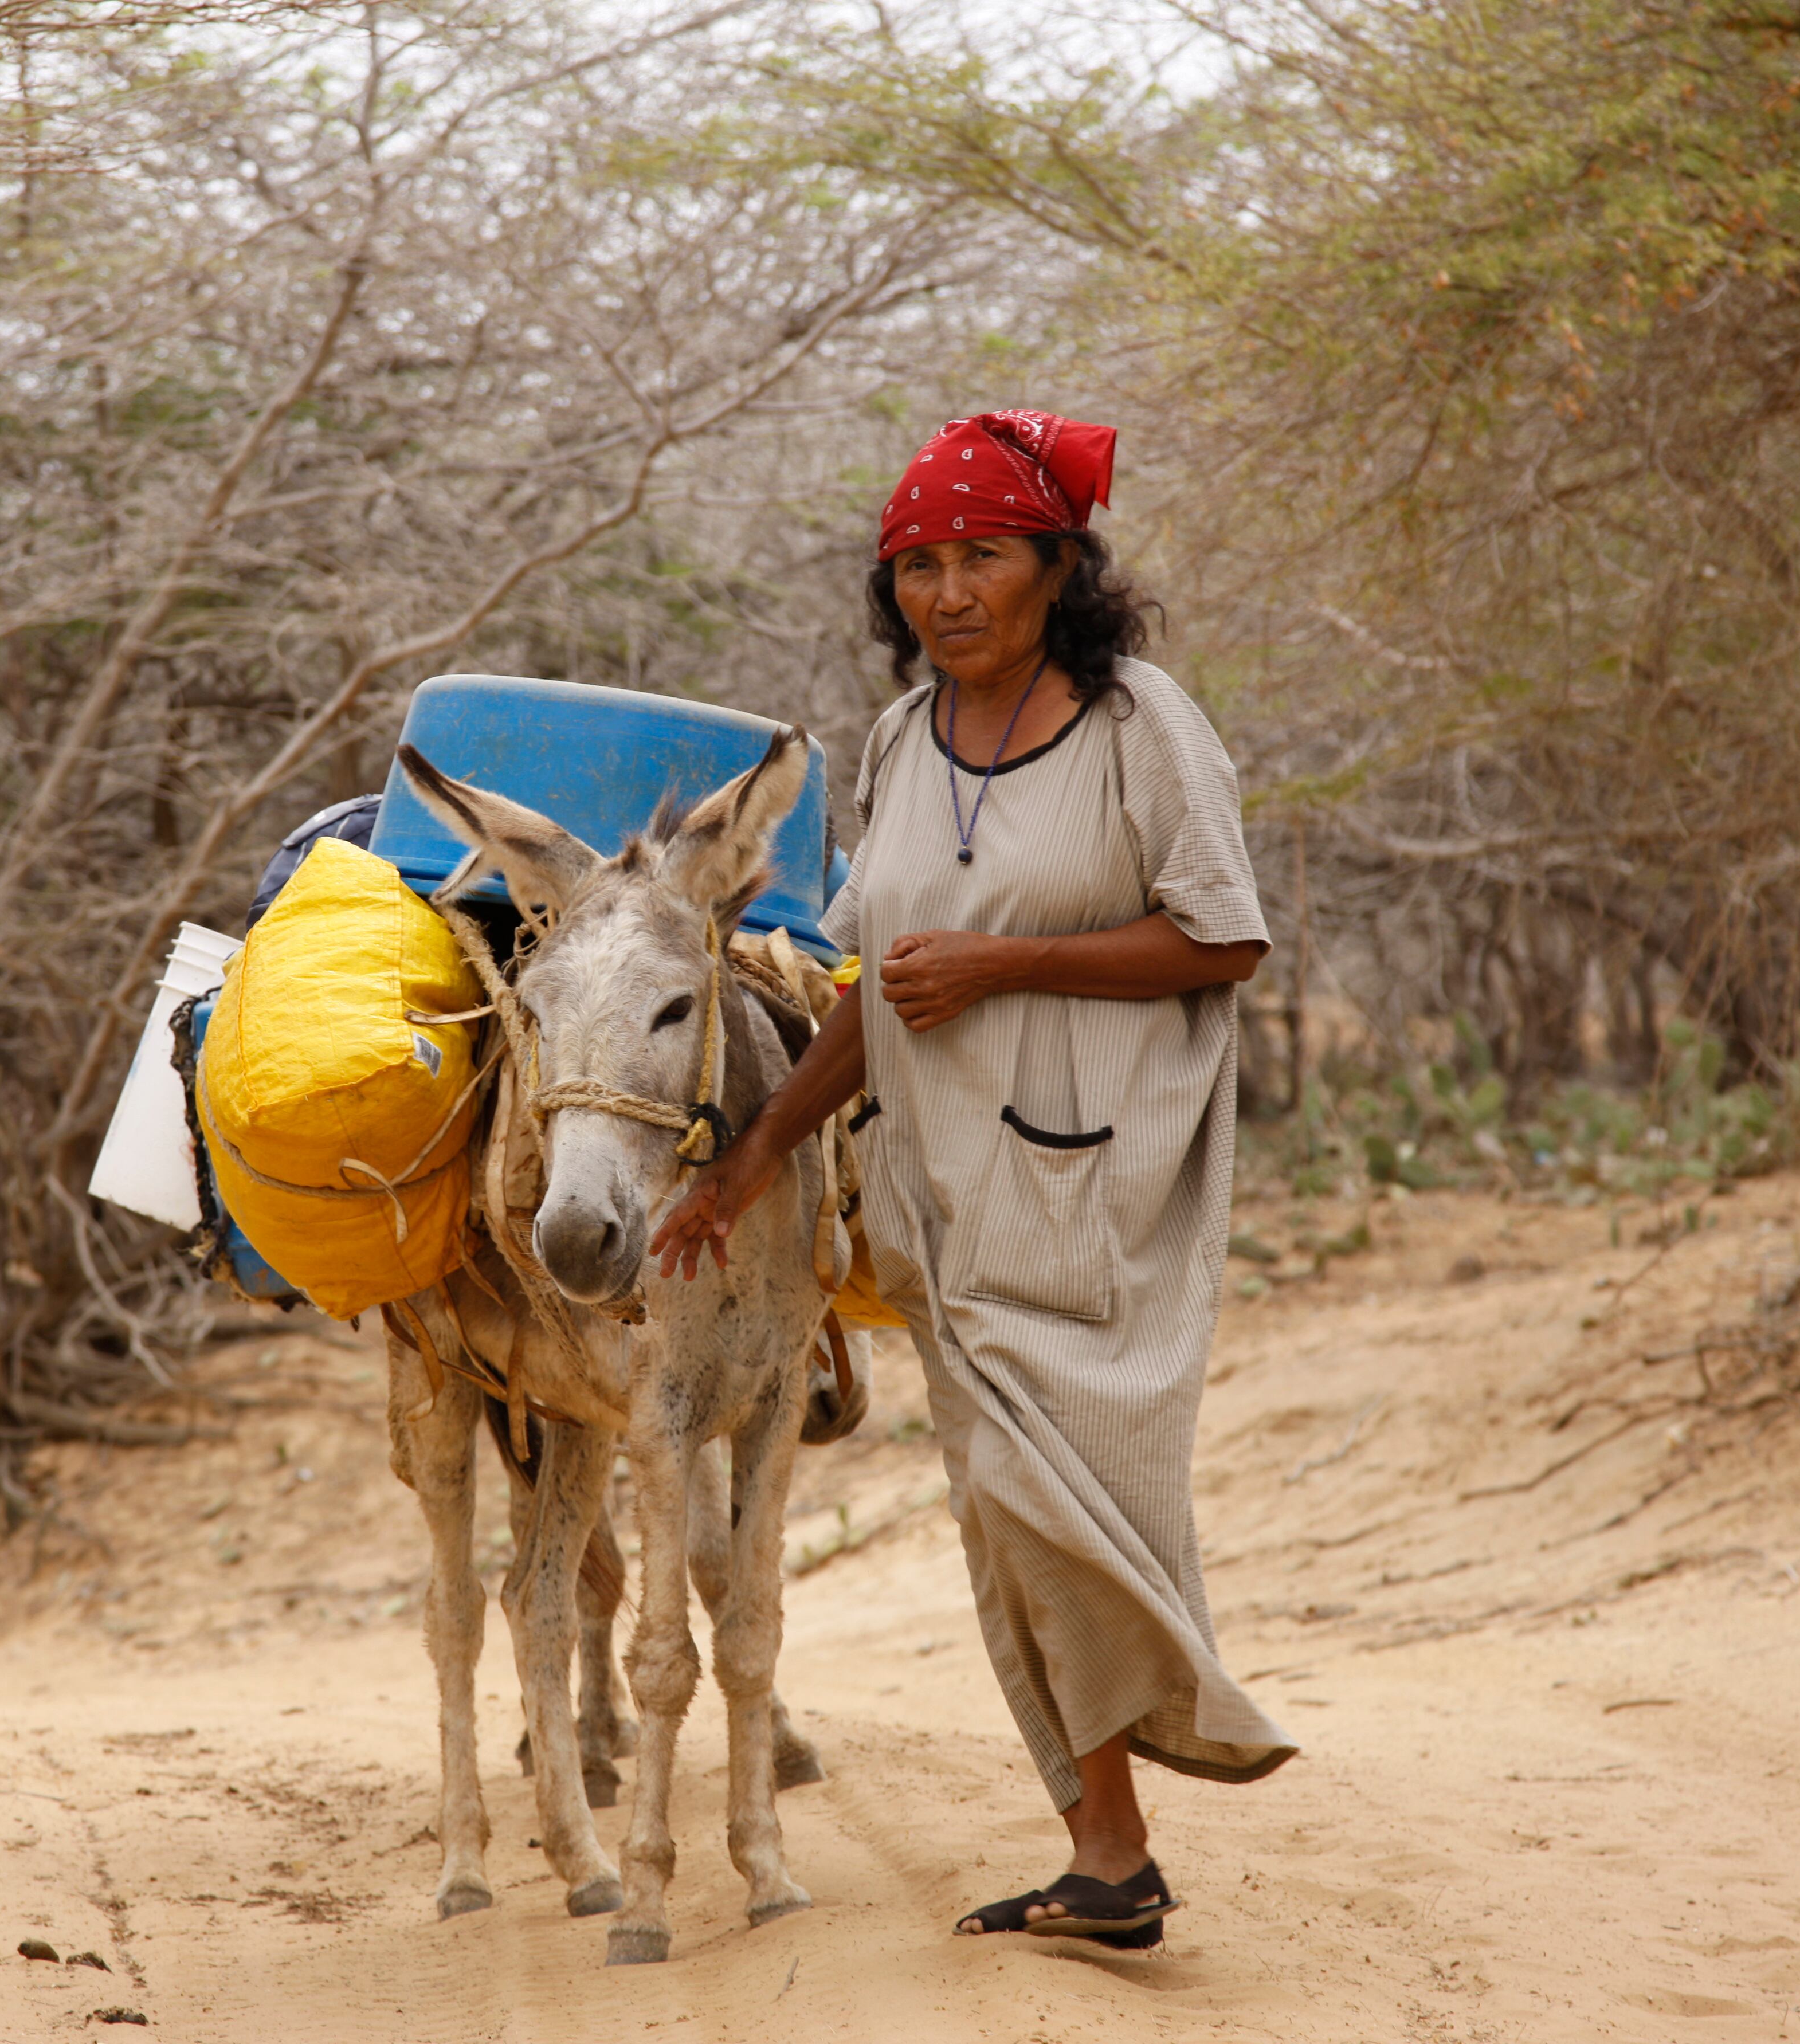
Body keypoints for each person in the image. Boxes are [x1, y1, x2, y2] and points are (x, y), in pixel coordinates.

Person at [650, 409, 1294, 1949]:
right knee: (999, 1513)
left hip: (1102, 1187)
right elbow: (878, 986)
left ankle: (1151, 1788)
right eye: (917, 567)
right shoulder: (899, 742)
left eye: (982, 557)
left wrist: (1007, 964)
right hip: (941, 1197)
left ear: (1059, 566)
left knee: (1054, 1491)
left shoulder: (1138, 725)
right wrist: (755, 1153)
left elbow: (1223, 938)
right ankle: (1109, 1858)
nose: (947, 594)